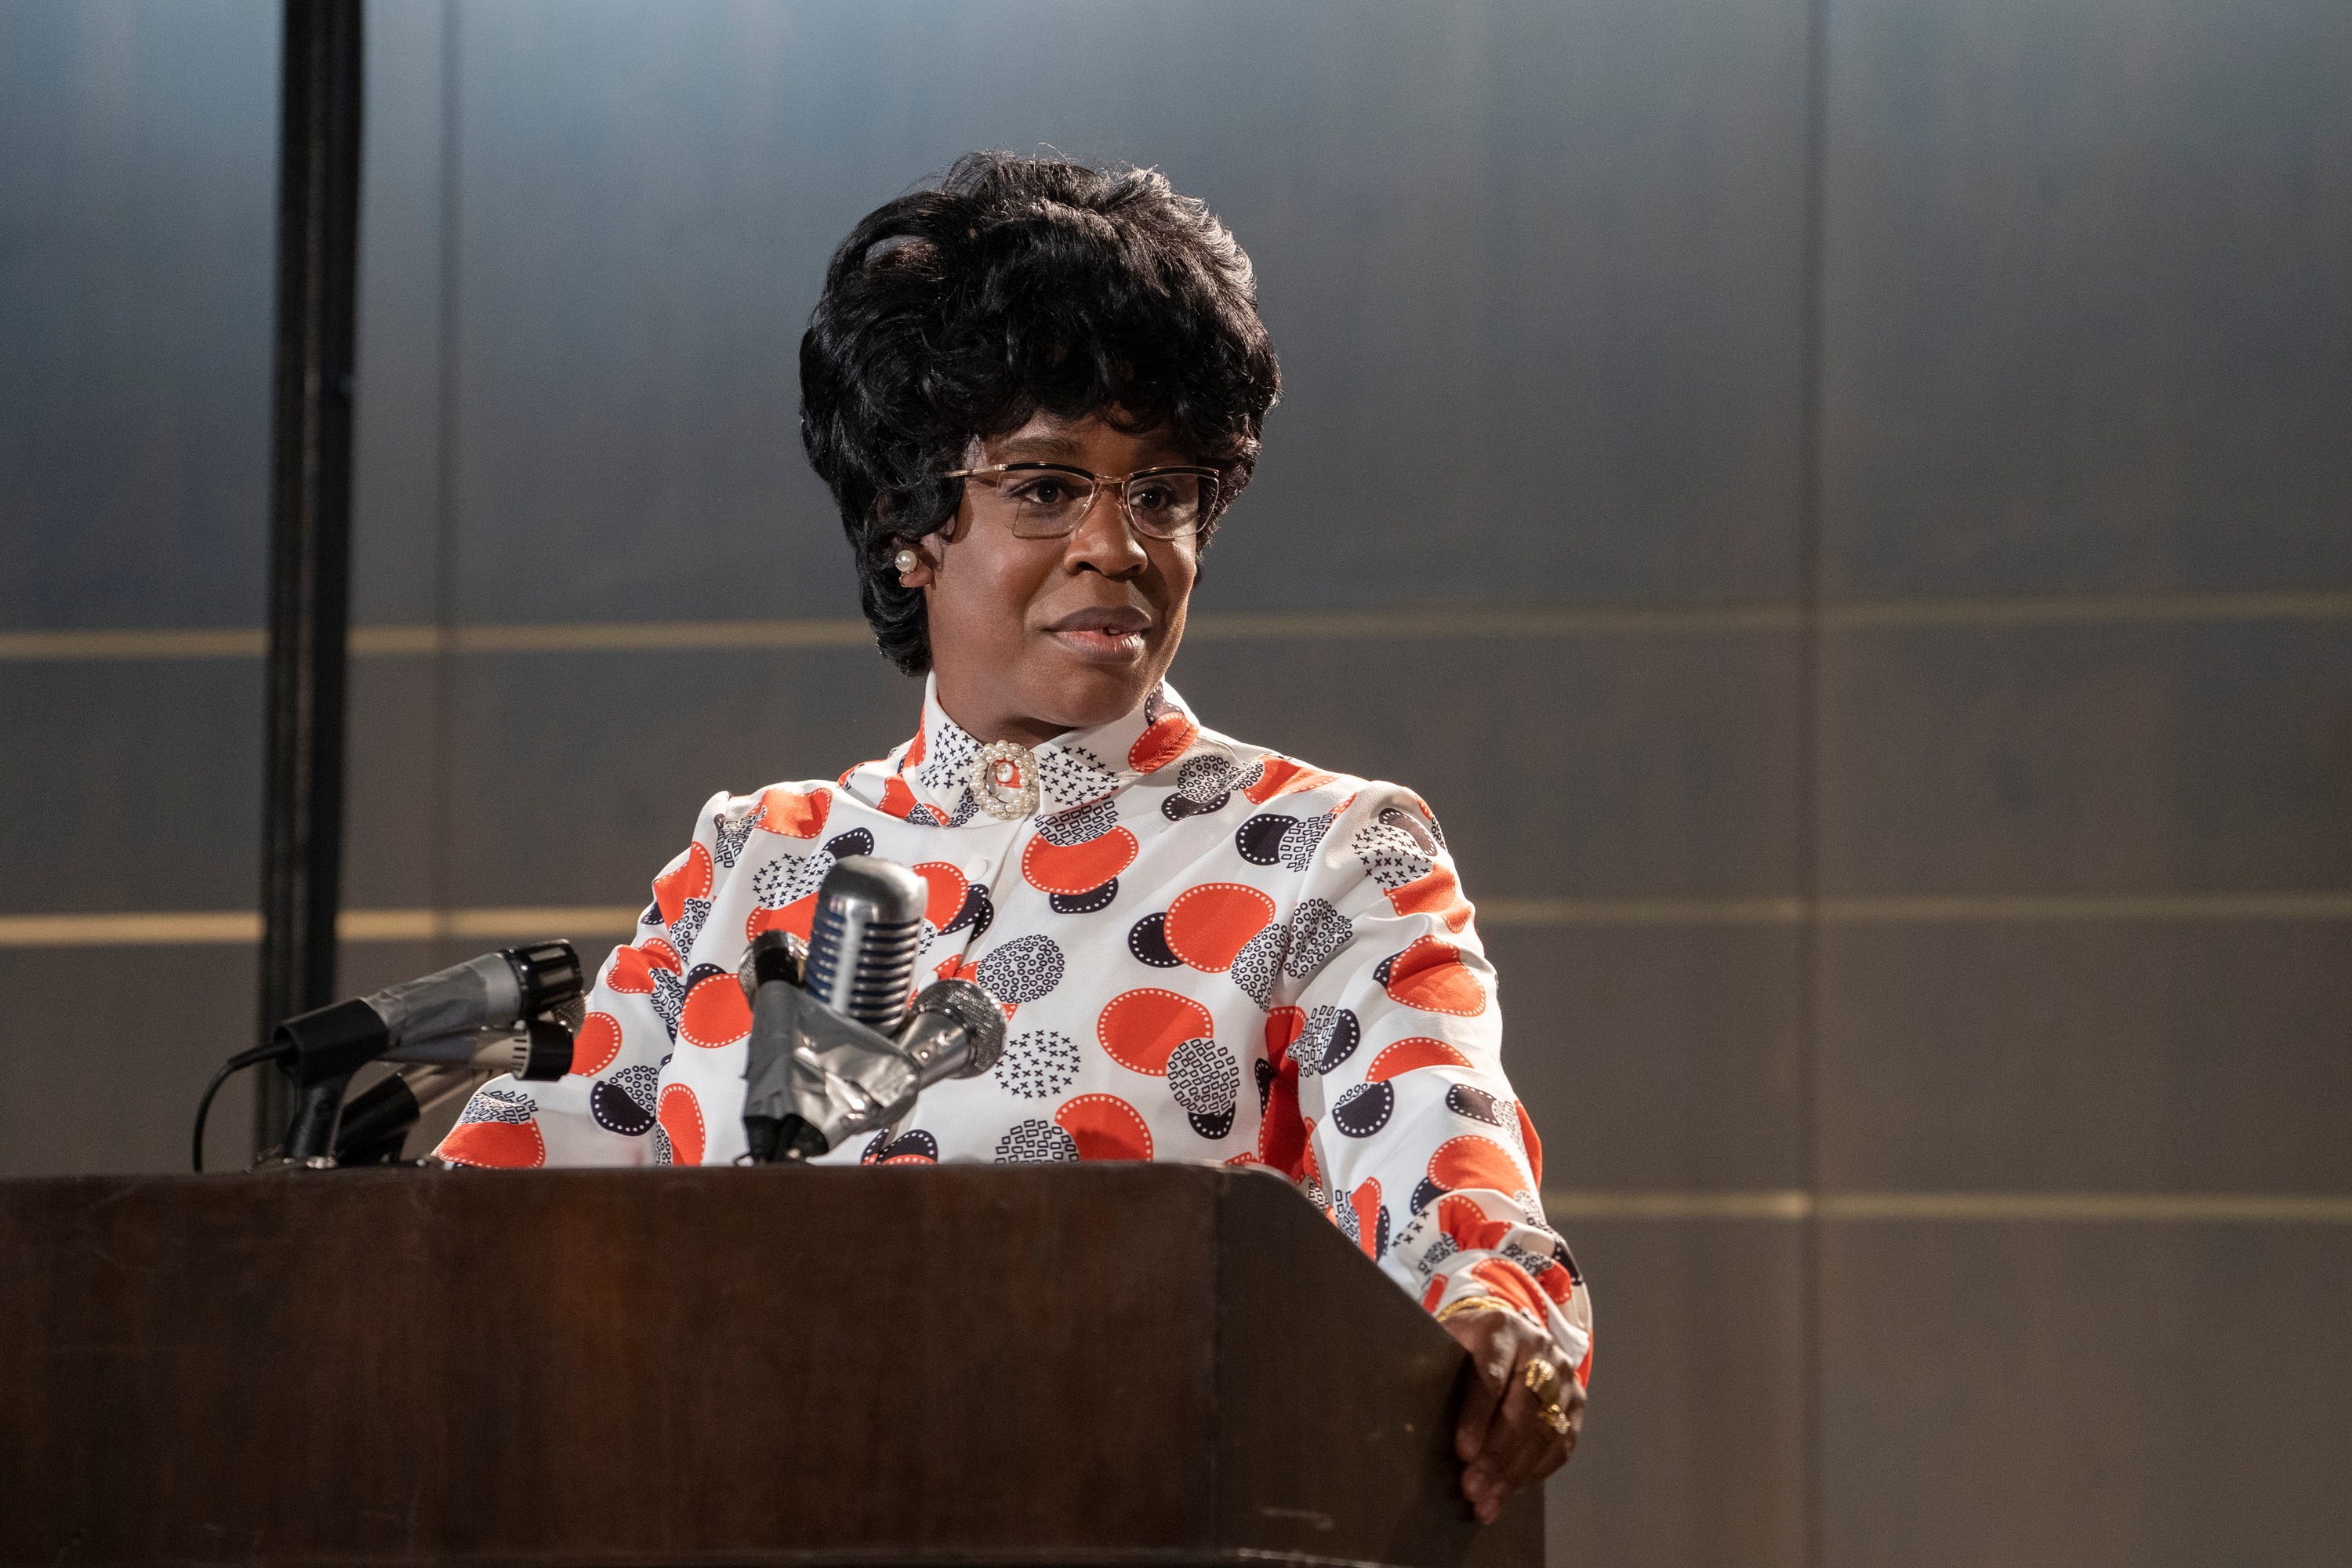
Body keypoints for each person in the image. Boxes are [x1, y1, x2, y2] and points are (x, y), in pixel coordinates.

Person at [439, 151, 1590, 1521]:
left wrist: (1496, 1299)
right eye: (1046, 486)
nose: (1121, 544)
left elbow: (1445, 1164)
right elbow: (491, 1219)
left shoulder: (1323, 851)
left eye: (1162, 491)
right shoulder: (750, 865)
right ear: (906, 518)